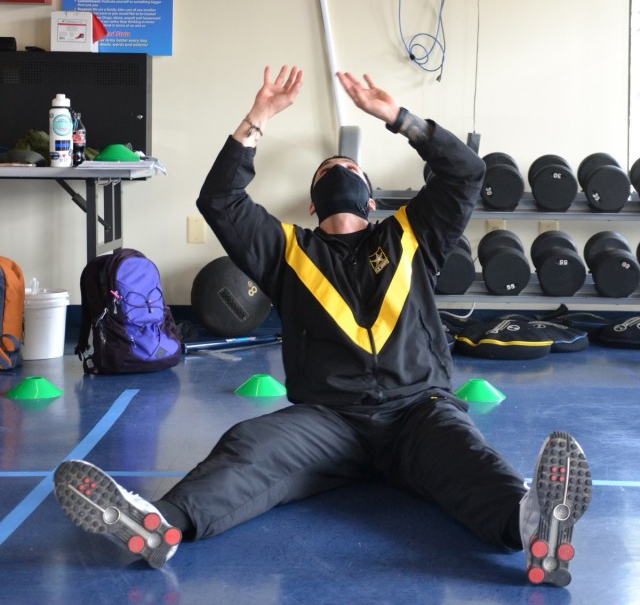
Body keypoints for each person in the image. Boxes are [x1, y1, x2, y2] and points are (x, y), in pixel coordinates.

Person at [54, 66, 591, 586]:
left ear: (371, 198)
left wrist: (399, 118)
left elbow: (466, 172)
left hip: (418, 411)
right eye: (326, 173)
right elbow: (219, 200)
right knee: (250, 445)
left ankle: (530, 526)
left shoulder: (412, 236)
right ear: (314, 203)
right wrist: (257, 118)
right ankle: (159, 526)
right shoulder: (287, 250)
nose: (339, 173)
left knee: (466, 457)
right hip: (327, 421)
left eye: (351, 170)